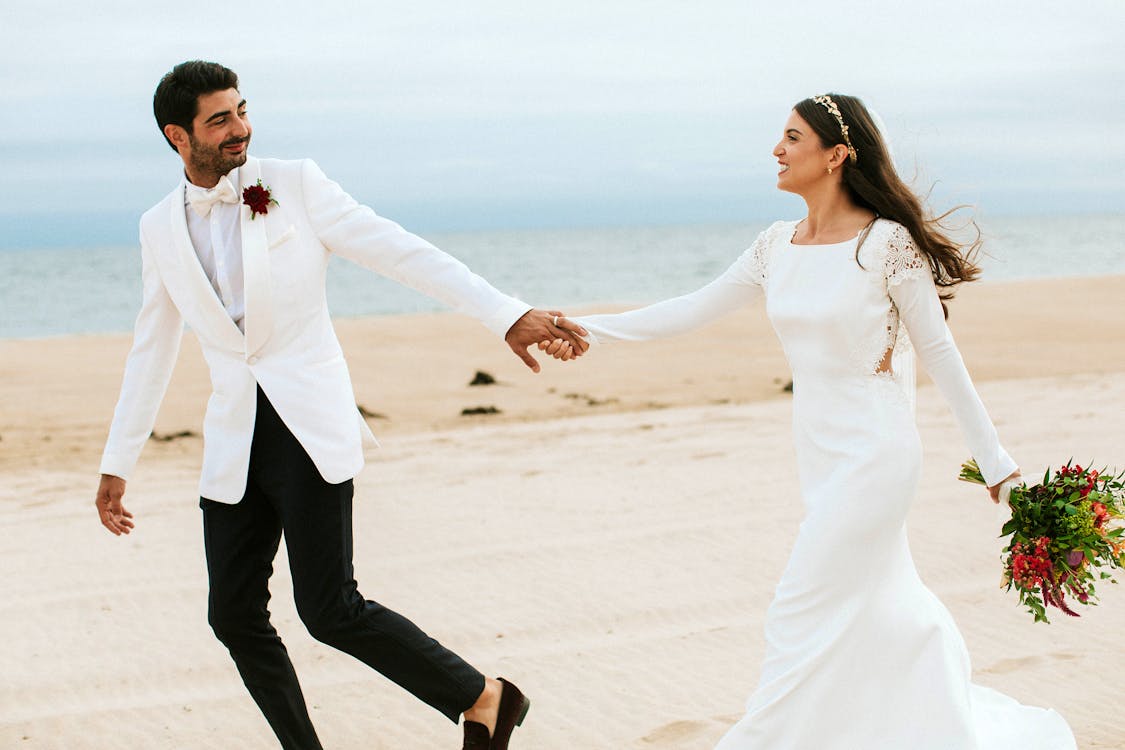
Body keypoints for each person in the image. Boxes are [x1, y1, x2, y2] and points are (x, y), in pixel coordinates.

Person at [540, 94, 1076, 748]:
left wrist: (998, 468)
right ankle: (926, 723)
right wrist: (586, 328)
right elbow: (689, 308)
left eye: (791, 137)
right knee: (877, 605)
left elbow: (938, 353)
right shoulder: (775, 245)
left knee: (798, 609)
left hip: (875, 457)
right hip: (818, 455)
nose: (776, 149)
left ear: (835, 155)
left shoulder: (886, 246)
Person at [94, 60, 586, 750]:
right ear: (179, 136)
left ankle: (484, 697)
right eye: (220, 119)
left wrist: (504, 313)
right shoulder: (157, 226)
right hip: (235, 438)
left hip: (307, 426)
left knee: (329, 610)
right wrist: (118, 461)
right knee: (233, 617)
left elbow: (400, 253)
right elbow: (152, 345)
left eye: (241, 110)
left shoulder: (292, 184)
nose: (241, 128)